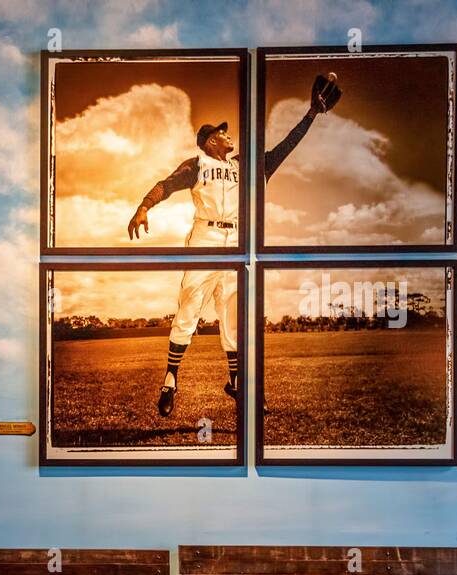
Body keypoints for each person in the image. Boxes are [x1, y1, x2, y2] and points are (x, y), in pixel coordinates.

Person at [127, 74, 341, 416]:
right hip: (205, 240)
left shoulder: (245, 167)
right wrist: (143, 207)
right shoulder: (199, 164)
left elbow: (283, 149)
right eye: (221, 133)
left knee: (232, 316)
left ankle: (236, 383)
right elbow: (166, 185)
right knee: (189, 310)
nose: (228, 136)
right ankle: (170, 380)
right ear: (211, 142)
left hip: (237, 244)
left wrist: (311, 114)